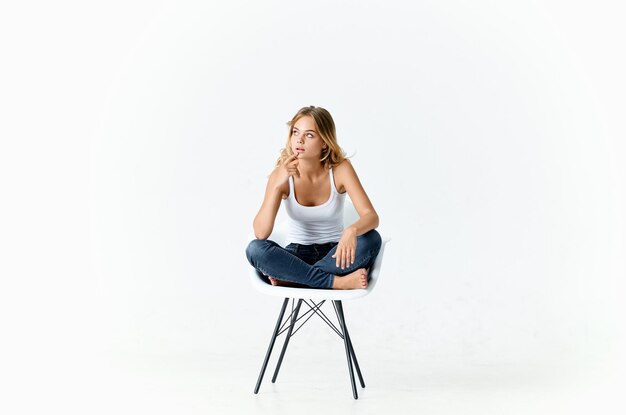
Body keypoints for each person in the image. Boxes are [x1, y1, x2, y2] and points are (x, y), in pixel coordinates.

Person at [245, 106, 381, 290]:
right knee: (255, 250)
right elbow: (261, 233)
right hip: (295, 256)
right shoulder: (281, 174)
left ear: (324, 142)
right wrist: (277, 185)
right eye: (295, 132)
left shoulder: (340, 169)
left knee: (372, 239)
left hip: (336, 255)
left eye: (309, 135)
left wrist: (351, 230)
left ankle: (295, 280)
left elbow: (371, 216)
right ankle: (336, 282)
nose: (299, 140)